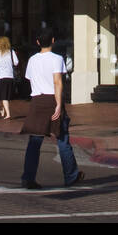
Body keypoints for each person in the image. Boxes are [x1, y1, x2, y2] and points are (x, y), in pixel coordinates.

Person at [19, 27, 84, 189]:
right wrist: (58, 105)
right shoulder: (57, 59)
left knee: (34, 141)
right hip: (52, 99)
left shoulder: (33, 60)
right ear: (53, 41)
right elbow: (58, 82)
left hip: (37, 100)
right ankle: (71, 175)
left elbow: (29, 79)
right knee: (62, 138)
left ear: (38, 42)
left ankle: (28, 177)